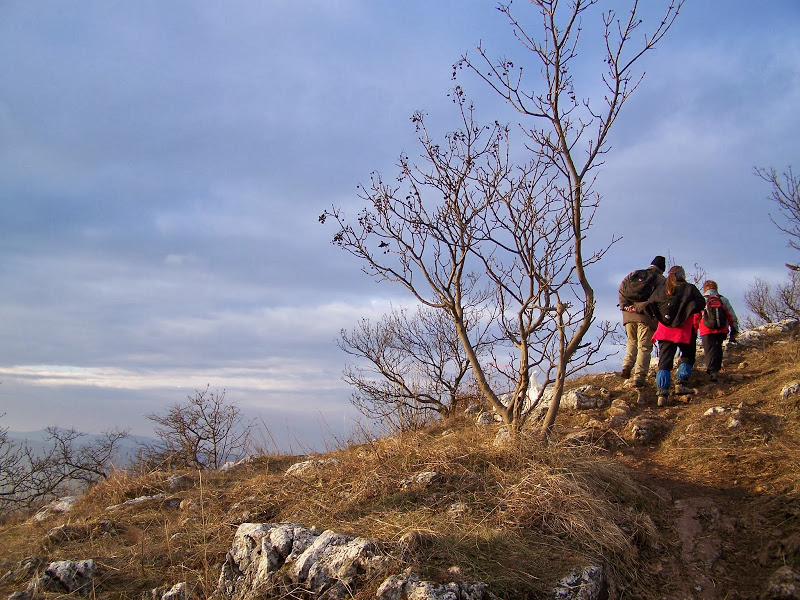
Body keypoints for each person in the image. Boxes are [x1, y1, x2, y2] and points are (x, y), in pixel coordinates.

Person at [633, 265, 705, 407]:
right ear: (682, 275)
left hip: (664, 330)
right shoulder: (689, 288)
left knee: (664, 362)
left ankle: (662, 394)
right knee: (688, 355)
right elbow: (701, 303)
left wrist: (658, 317)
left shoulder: (661, 290)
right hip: (684, 329)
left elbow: (649, 306)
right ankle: (681, 383)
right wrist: (687, 310)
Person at [618, 256, 667, 392]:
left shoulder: (634, 274)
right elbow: (658, 299)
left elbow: (621, 288)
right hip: (646, 317)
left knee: (632, 341)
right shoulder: (660, 280)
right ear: (662, 269)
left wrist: (625, 306)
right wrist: (639, 308)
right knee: (644, 347)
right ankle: (639, 377)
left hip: (628, 316)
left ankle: (626, 367)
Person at [698, 280, 739, 382]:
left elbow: (696, 316)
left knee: (709, 350)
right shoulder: (722, 299)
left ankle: (712, 371)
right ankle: (716, 369)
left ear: (705, 289)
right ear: (716, 288)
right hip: (721, 329)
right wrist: (734, 329)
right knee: (717, 347)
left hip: (706, 330)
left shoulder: (702, 300)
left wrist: (694, 329)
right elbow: (731, 315)